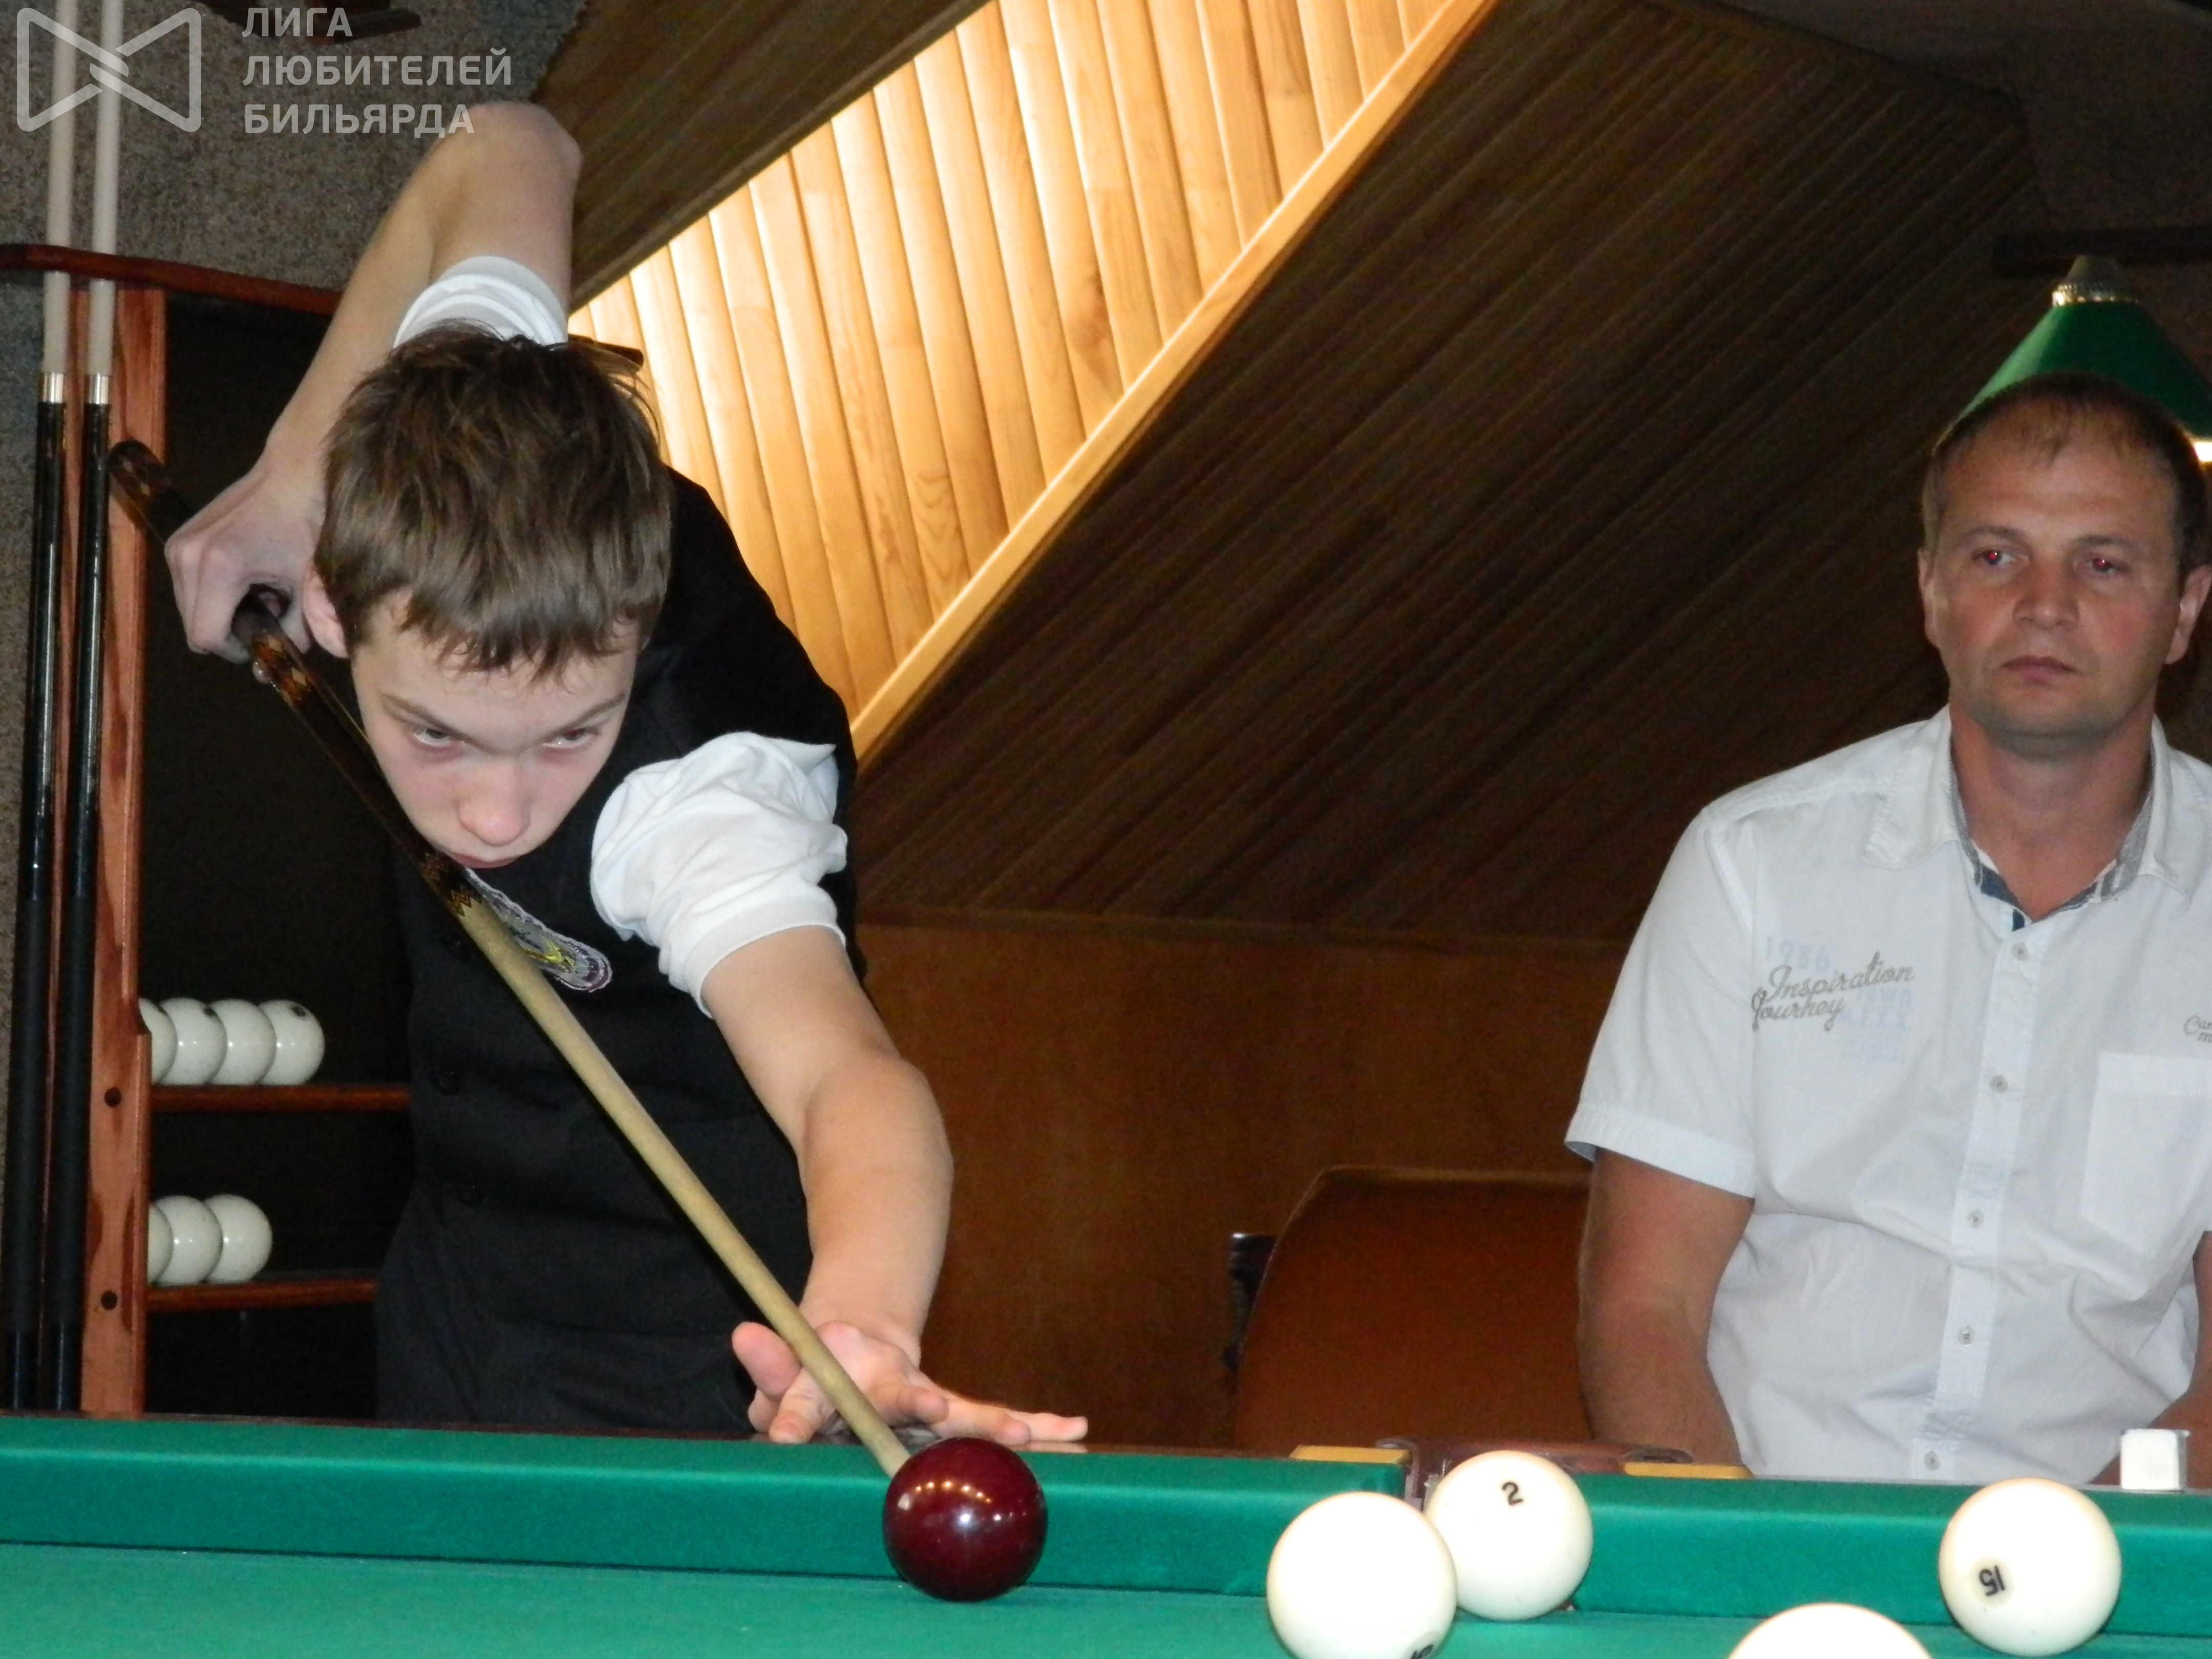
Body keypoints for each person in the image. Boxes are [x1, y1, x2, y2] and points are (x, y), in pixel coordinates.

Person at [164, 103, 1084, 1447]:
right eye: (436, 735)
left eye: (567, 737)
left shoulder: (699, 803)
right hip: (462, 1267)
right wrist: (293, 474)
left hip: (693, 1339)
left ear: (632, 636)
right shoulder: (467, 426)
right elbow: (510, 146)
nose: (495, 812)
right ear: (335, 605)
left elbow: (851, 1083)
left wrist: (866, 1324)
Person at [1570, 371, 2212, 1484]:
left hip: (2115, 1548)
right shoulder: (1751, 861)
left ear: (2185, 612)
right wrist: (1749, 1562)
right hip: (1766, 1527)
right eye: (1996, 555)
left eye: (2103, 563)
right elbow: (1645, 1304)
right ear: (1930, 592)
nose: (2045, 604)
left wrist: (2073, 1555)